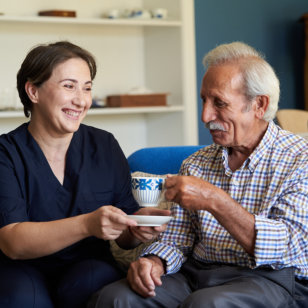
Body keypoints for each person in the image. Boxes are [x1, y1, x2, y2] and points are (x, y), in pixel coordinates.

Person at [95, 41, 308, 307]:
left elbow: (291, 247)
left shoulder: (301, 159)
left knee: (206, 304)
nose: (205, 115)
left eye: (219, 103)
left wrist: (215, 199)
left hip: (270, 278)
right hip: (196, 273)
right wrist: (154, 261)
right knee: (116, 298)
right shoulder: (196, 164)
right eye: (204, 101)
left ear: (259, 105)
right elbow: (176, 238)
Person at [0, 41, 170, 308]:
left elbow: (124, 238)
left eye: (87, 88)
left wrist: (137, 229)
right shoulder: (6, 154)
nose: (81, 100)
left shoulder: (104, 146)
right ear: (33, 91)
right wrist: (87, 224)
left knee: (99, 284)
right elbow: (12, 242)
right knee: (24, 297)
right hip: (19, 268)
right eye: (69, 86)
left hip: (86, 267)